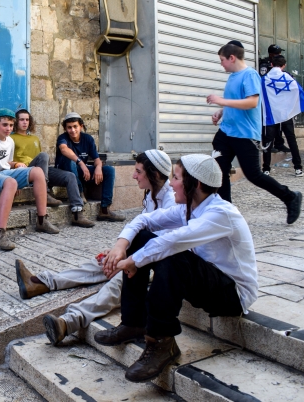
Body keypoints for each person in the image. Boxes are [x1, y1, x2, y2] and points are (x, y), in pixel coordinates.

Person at [97, 154, 258, 383]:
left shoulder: (221, 213)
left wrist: (133, 261)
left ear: (197, 184)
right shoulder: (189, 208)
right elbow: (143, 221)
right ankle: (133, 322)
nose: (171, 183)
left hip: (232, 294)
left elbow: (173, 242)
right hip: (205, 282)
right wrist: (120, 247)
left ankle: (161, 341)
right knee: (142, 237)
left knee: (173, 257)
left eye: (176, 177)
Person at [16, 151, 175, 345]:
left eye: (138, 172)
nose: (134, 176)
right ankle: (40, 283)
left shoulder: (172, 200)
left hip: (158, 265)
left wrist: (127, 260)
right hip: (139, 255)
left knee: (118, 283)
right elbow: (139, 227)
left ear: (155, 174)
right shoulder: (151, 195)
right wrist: (117, 251)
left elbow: (162, 246)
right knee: (98, 263)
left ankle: (67, 322)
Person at [207, 41, 302, 224]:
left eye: (222, 60)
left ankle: (290, 197)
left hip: (244, 134)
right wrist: (221, 112)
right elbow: (235, 101)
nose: (221, 64)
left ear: (232, 58)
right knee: (219, 170)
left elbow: (251, 102)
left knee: (254, 174)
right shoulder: (233, 76)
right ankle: (226, 211)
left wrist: (221, 101)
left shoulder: (250, 75)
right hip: (226, 132)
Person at [0, 108, 59, 251]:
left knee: (38, 172)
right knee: (11, 182)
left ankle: (42, 220)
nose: (8, 128)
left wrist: (16, 165)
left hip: (5, 173)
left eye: (11, 125)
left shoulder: (10, 142)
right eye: (5, 125)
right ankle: (0, 233)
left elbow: (6, 163)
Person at [12, 109, 94, 228]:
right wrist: (15, 180)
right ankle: (45, 191)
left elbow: (40, 161)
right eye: (21, 120)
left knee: (69, 176)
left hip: (40, 170)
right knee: (44, 155)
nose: (25, 122)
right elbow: (8, 162)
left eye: (27, 119)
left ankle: (77, 213)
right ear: (16, 122)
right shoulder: (11, 138)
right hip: (25, 171)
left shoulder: (34, 139)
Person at [54, 112, 125, 222]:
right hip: (65, 172)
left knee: (109, 170)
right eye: (69, 127)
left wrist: (98, 167)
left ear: (81, 126)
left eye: (75, 126)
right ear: (65, 128)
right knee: (71, 160)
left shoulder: (87, 139)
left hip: (81, 171)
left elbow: (97, 160)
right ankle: (80, 192)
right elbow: (64, 149)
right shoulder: (62, 138)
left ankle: (105, 210)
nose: (72, 130)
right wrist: (81, 163)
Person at [260, 55, 304, 177]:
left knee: (268, 141)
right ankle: (298, 168)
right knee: (291, 140)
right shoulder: (288, 78)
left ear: (271, 64)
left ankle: (266, 169)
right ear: (284, 65)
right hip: (286, 114)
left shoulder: (265, 78)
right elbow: (297, 90)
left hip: (271, 114)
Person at [258, 44, 291, 153]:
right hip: (268, 98)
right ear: (271, 54)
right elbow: (264, 78)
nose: (279, 55)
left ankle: (279, 143)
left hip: (278, 98)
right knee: (268, 124)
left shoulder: (278, 65)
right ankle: (268, 144)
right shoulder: (265, 64)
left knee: (279, 122)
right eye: (276, 53)